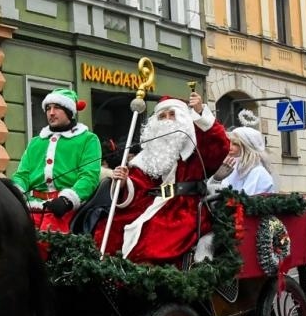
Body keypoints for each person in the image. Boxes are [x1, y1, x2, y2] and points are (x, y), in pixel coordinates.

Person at [96, 93, 229, 264]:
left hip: (185, 207)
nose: (166, 120)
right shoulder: (147, 156)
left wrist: (200, 111)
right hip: (149, 204)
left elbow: (219, 147)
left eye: (172, 115)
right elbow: (139, 184)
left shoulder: (197, 150)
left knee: (154, 239)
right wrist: (123, 183)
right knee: (110, 228)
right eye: (162, 116)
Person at [11, 87, 102, 234]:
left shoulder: (88, 139)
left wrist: (67, 200)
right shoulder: (36, 142)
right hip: (31, 208)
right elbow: (22, 175)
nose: (51, 113)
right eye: (48, 108)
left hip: (66, 211)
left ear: (70, 112)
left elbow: (89, 176)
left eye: (57, 108)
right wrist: (15, 192)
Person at [218, 110, 275, 196]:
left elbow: (245, 200)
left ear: (246, 147)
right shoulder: (231, 168)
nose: (229, 147)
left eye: (235, 144)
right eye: (229, 142)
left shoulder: (258, 172)